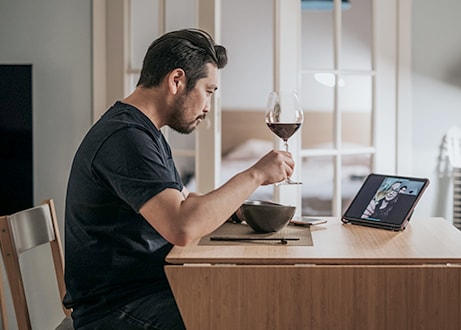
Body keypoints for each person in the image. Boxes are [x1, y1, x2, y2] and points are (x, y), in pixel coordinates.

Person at [63, 28, 295, 329]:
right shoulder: (126, 137)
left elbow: (185, 202)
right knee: (247, 314)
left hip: (146, 292)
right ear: (176, 80)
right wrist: (255, 174)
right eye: (208, 91)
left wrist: (238, 208)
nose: (208, 106)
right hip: (116, 310)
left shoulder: (144, 132)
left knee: (252, 300)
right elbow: (182, 226)